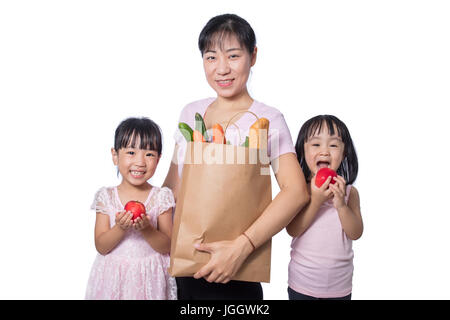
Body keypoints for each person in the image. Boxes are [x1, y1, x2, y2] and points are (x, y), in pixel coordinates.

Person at [163, 13, 309, 300]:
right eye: (211, 57)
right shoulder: (191, 113)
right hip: (184, 266)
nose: (222, 69)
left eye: (233, 56)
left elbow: (296, 192)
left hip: (239, 270)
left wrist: (241, 247)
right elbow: (172, 189)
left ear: (253, 56)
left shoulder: (268, 119)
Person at [85, 117, 177, 300]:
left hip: (151, 279)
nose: (140, 162)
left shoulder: (162, 197)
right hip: (114, 279)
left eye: (149, 154)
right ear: (115, 155)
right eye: (131, 152)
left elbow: (168, 245)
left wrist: (147, 229)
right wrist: (120, 228)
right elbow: (101, 246)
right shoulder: (107, 197)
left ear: (158, 159)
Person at [286, 115, 363, 300]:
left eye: (334, 145)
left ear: (344, 153)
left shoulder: (349, 193)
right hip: (302, 284)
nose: (325, 151)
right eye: (315, 144)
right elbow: (293, 229)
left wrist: (341, 206)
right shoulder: (301, 189)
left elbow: (356, 233)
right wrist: (316, 201)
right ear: (303, 152)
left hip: (340, 287)